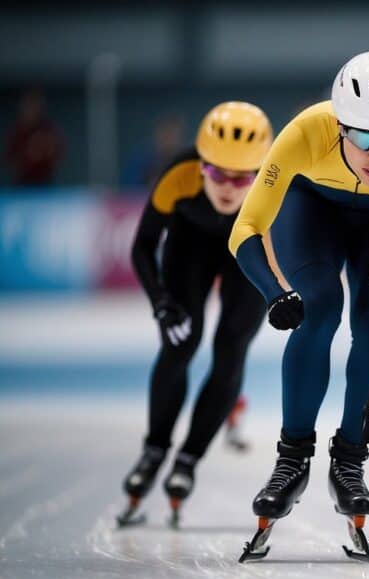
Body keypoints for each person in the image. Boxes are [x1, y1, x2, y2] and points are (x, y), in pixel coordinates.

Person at [231, 51, 369, 564]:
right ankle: (291, 461)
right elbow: (246, 228)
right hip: (313, 209)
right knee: (321, 307)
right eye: (361, 136)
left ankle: (349, 462)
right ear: (338, 125)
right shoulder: (304, 135)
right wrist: (274, 293)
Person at [116, 102, 274, 528]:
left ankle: (188, 459)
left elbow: (300, 248)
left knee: (231, 351)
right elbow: (143, 245)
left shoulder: (280, 184)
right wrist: (160, 302)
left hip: (247, 251)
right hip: (189, 249)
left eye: (241, 177)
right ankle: (154, 450)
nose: (226, 187)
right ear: (201, 164)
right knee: (180, 343)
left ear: (261, 173)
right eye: (216, 173)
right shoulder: (179, 172)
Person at [5, 89, 63, 186]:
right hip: (22, 186)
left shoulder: (48, 129)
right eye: (28, 106)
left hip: (45, 184)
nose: (31, 110)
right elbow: (9, 159)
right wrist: (29, 153)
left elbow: (58, 153)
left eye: (35, 106)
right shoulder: (16, 131)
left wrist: (45, 149)